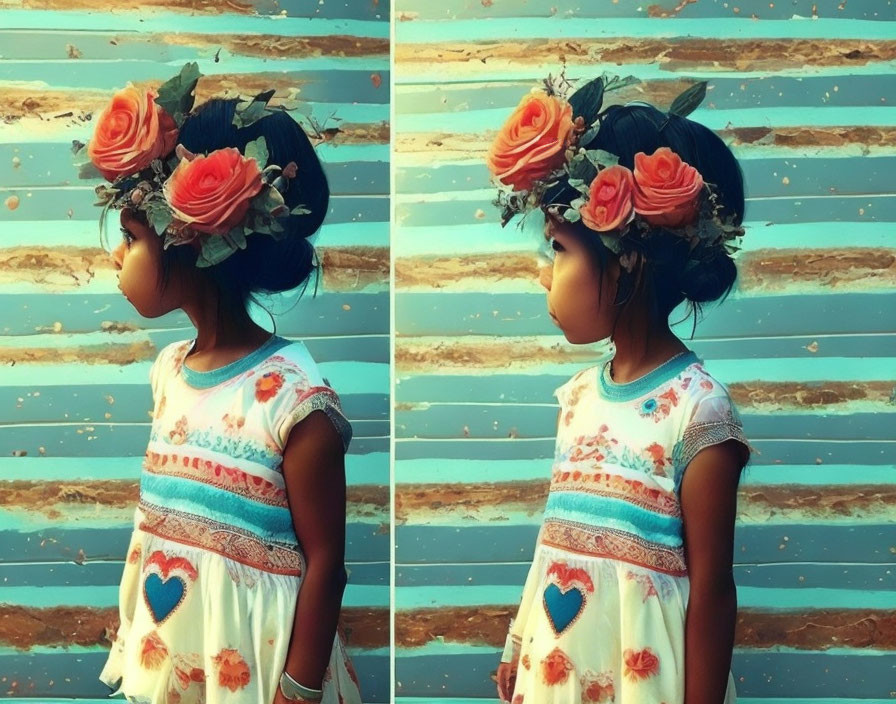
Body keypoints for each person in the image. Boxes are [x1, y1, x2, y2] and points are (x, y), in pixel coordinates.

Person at [82, 64, 362, 704]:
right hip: (171, 665)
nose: (117, 257)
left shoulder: (296, 401)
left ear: (189, 239)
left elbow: (326, 565)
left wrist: (296, 690)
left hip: (258, 681)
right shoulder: (169, 374)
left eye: (130, 237)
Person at [487, 76, 753, 704]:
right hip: (556, 671)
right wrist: (521, 640)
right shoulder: (578, 397)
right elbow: (555, 535)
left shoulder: (698, 411)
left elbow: (713, 589)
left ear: (626, 253)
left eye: (558, 248)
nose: (544, 274)